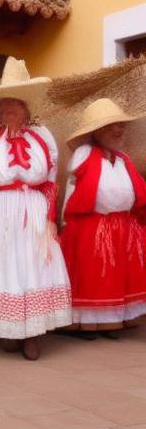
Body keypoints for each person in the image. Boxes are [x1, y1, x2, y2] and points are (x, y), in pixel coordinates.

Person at [0, 57, 72, 360]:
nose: (8, 109)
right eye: (4, 104)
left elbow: (50, 181)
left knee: (33, 268)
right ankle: (7, 330)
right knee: (4, 267)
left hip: (32, 213)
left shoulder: (42, 139)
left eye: (15, 104)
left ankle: (32, 333)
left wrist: (50, 219)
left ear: (26, 108)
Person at [61, 98, 146, 339]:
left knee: (114, 277)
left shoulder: (122, 159)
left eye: (121, 125)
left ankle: (110, 320)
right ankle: (86, 323)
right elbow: (75, 191)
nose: (118, 130)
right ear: (96, 131)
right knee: (92, 277)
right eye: (112, 126)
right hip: (91, 226)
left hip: (121, 226)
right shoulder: (84, 155)